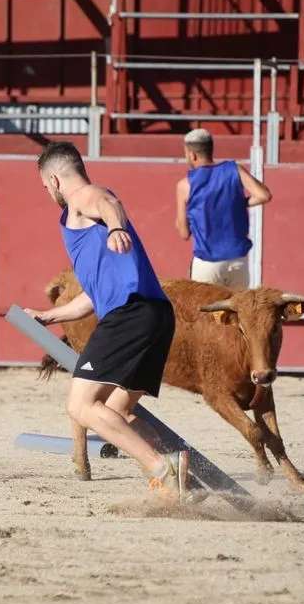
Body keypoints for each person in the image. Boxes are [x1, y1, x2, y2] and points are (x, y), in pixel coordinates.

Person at [23, 141, 190, 503]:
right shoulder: (86, 228)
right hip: (156, 315)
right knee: (115, 411)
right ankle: (179, 465)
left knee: (80, 407)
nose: (48, 193)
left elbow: (108, 203)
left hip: (129, 316)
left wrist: (116, 227)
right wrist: (49, 315)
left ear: (54, 179)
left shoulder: (85, 197)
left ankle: (161, 469)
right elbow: (92, 297)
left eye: (45, 187)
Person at [175, 128, 272, 289]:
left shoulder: (185, 185)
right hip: (238, 261)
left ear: (191, 154)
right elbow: (264, 195)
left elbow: (184, 233)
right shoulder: (234, 169)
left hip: (207, 263)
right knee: (236, 312)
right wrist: (238, 203)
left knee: (205, 313)